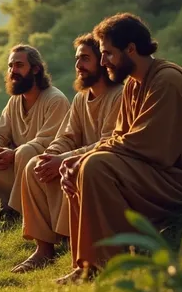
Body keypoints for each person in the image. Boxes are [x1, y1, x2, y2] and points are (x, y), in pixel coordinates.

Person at [56, 13, 182, 284]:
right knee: (83, 166)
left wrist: (88, 158)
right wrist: (78, 159)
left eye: (108, 54)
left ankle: (107, 263)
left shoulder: (167, 80)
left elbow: (153, 147)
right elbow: (121, 136)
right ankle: (88, 264)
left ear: (131, 49)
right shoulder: (134, 84)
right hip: (155, 170)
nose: (102, 62)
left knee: (96, 166)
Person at [11, 34, 123, 273]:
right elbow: (66, 137)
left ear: (101, 62)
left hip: (106, 165)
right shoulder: (81, 99)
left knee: (74, 168)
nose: (78, 65)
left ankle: (77, 245)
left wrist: (63, 159)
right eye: (77, 59)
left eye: (85, 59)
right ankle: (44, 250)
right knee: (33, 165)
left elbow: (109, 142)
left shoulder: (119, 95)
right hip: (78, 160)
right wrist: (50, 155)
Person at [0, 44, 70, 215]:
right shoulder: (14, 101)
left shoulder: (55, 100)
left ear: (36, 69)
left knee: (25, 152)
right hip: (17, 167)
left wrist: (13, 154)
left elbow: (48, 141)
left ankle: (22, 212)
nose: (13, 71)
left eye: (19, 65)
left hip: (43, 170)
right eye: (10, 66)